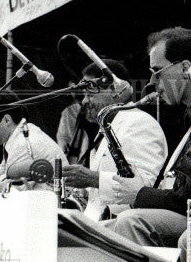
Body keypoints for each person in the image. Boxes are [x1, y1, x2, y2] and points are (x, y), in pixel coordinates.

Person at [107, 27, 191, 247]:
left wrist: (140, 194)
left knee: (130, 222)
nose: (152, 82)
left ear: (185, 68)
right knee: (105, 229)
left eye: (158, 71)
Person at [60, 60, 167, 219]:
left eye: (90, 94)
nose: (84, 101)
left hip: (122, 228)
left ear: (115, 89)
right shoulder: (108, 126)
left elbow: (144, 189)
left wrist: (91, 178)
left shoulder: (139, 122)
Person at [0, 87, 66, 192]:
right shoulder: (18, 135)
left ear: (7, 120)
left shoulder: (22, 143)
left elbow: (8, 189)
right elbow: (0, 172)